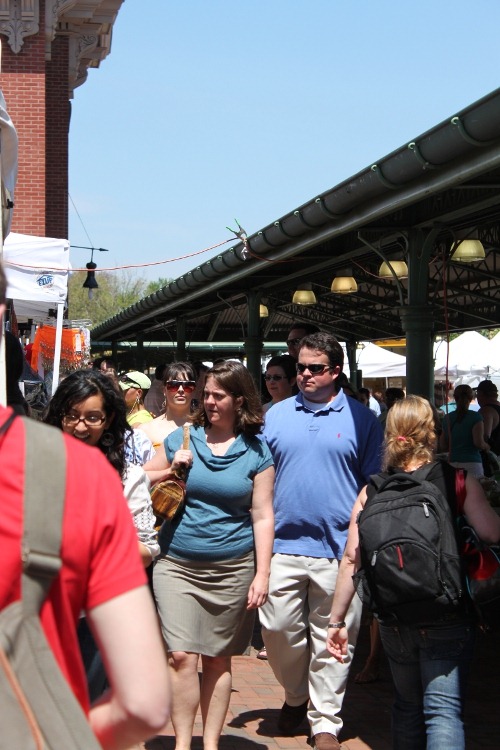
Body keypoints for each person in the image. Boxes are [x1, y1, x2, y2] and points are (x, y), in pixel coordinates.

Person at [0, 263, 170, 748]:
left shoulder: (112, 474)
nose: (80, 427)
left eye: (92, 418)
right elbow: (143, 704)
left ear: (110, 421)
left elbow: (147, 546)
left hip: (88, 625)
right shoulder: (66, 469)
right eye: (72, 417)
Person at [326, 395, 500, 750]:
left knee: (406, 705)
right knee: (443, 711)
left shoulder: (371, 490)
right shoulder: (457, 480)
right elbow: (492, 533)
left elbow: (350, 559)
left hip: (393, 615)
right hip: (447, 611)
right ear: (432, 432)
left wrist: (336, 619)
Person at [260, 332, 383, 750]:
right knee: (277, 630)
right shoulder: (274, 416)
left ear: (336, 371)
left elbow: (372, 483)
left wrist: (360, 539)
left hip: (339, 551)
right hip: (281, 545)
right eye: (300, 368)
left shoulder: (363, 420)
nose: (305, 374)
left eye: (315, 368)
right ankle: (297, 695)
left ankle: (324, 720)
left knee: (335, 637)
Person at [144, 359, 275, 750]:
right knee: (181, 656)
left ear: (239, 400)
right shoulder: (183, 438)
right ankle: (184, 743)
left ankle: (212, 743)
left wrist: (262, 574)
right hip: (177, 565)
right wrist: (169, 470)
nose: (209, 401)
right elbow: (139, 478)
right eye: (208, 394)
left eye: (219, 395)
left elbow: (263, 514)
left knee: (218, 659)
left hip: (232, 568)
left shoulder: (257, 452)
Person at [139, 361, 196, 449]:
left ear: (194, 390)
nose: (181, 389)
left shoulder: (206, 429)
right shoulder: (145, 430)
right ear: (164, 390)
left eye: (187, 385)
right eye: (173, 385)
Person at [439, 384, 489, 478]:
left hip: (453, 464)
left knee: (460, 492)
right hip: (472, 464)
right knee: (475, 491)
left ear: (455, 398)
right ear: (471, 398)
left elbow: (443, 445)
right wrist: (486, 446)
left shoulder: (447, 418)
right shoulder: (476, 417)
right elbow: (478, 443)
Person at [476, 379, 500, 454]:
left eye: (477, 394)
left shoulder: (486, 411)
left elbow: (484, 437)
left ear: (481, 394)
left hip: (491, 459)